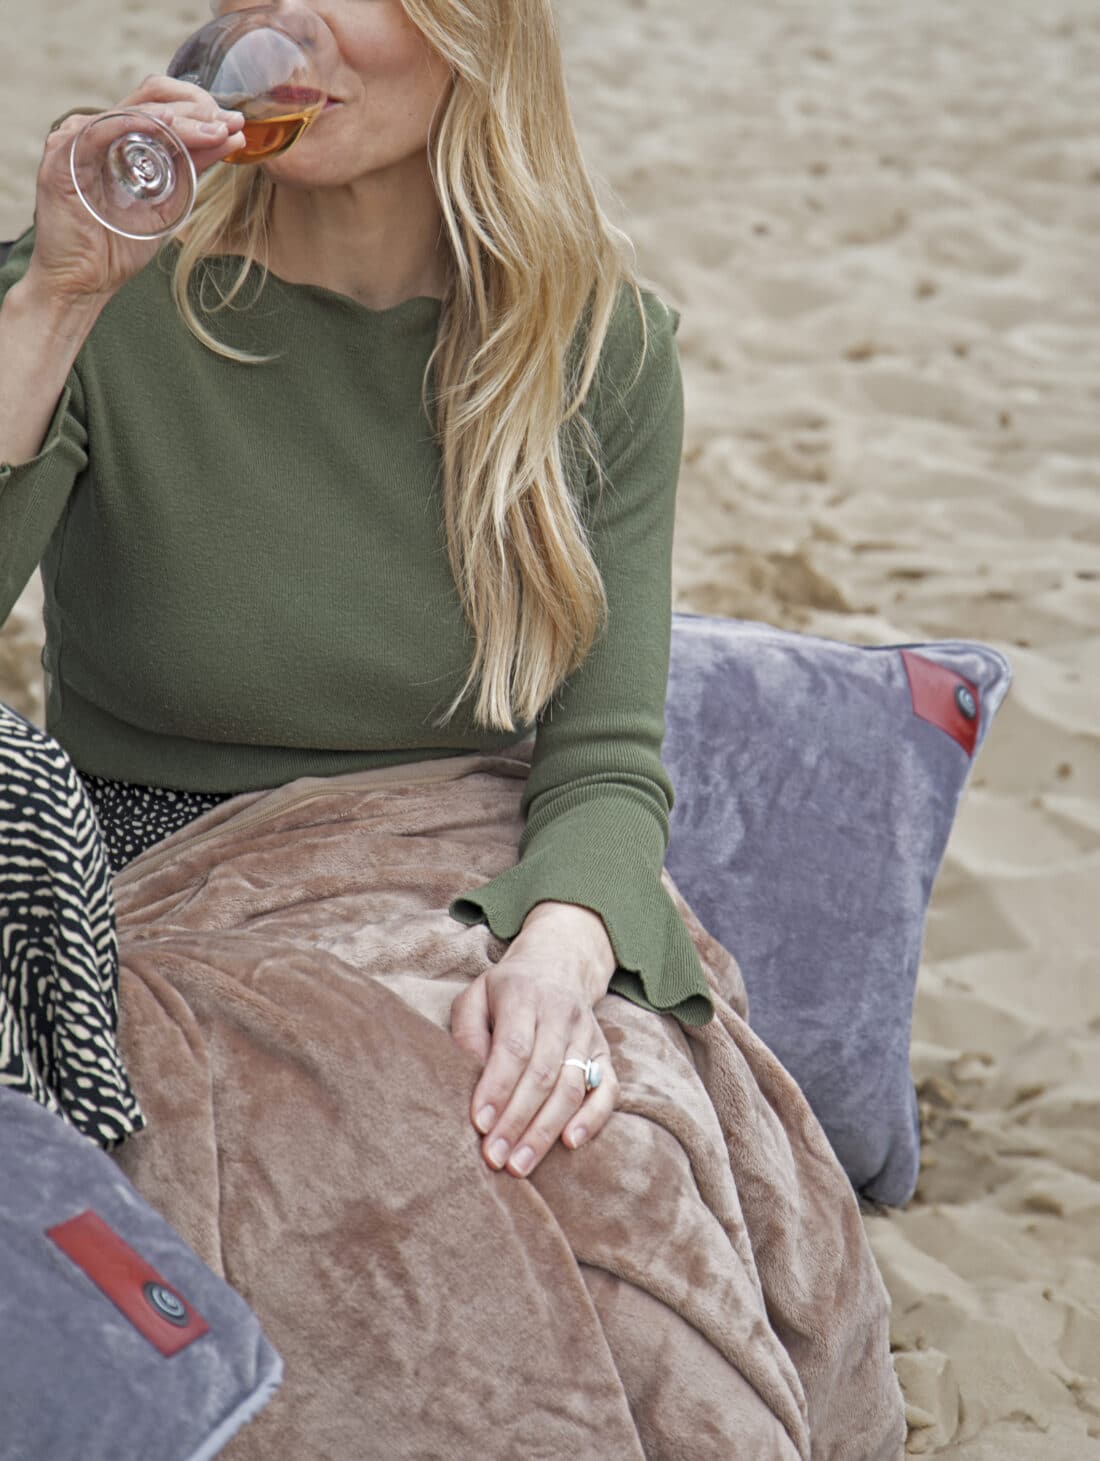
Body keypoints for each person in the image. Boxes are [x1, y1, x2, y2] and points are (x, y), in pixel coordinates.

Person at [0, 2, 907, 1455]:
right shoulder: (95, 298)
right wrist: (55, 300)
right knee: (367, 1203)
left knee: (603, 1159)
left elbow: (605, 753)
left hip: (486, 867)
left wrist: (559, 949)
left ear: (474, 32)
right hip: (175, 894)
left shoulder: (596, 344)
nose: (289, 35)